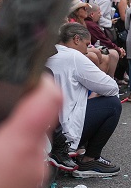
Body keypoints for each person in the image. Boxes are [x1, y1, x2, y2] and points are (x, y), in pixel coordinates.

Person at [47, 23, 122, 177]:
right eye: (86, 44)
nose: (87, 50)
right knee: (113, 104)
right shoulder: (74, 57)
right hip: (66, 131)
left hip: (47, 130)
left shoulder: (48, 53)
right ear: (76, 39)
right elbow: (111, 87)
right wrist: (95, 94)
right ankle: (89, 159)